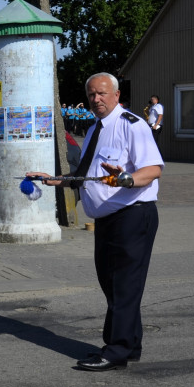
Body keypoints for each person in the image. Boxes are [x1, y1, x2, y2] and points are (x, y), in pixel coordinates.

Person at [28, 72, 163, 371]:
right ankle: (131, 344)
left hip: (132, 215)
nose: (96, 99)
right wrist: (56, 180)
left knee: (123, 286)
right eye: (91, 94)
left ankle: (115, 351)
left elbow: (152, 169)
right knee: (114, 285)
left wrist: (126, 179)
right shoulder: (94, 130)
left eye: (102, 93)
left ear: (116, 95)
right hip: (107, 219)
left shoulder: (132, 125)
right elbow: (89, 175)